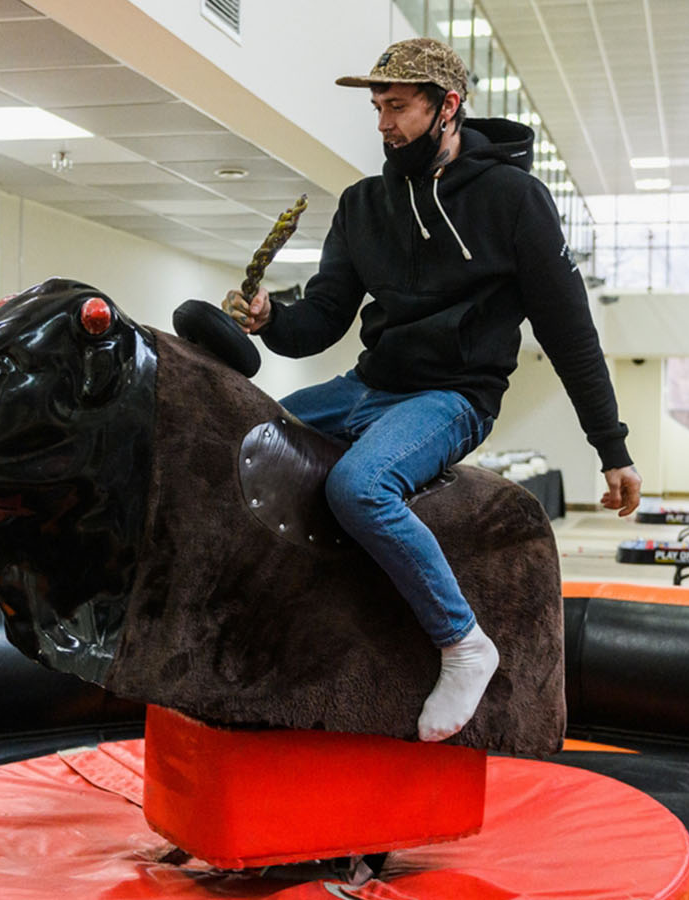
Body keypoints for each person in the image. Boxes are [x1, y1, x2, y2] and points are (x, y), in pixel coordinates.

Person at [223, 38, 641, 742]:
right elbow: (321, 320)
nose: (384, 124)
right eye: (377, 108)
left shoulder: (515, 200)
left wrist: (612, 448)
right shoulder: (363, 204)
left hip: (454, 396)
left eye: (398, 107)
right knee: (243, 439)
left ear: (447, 106)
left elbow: (570, 333)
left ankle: (464, 643)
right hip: (368, 384)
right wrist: (272, 319)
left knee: (360, 486)